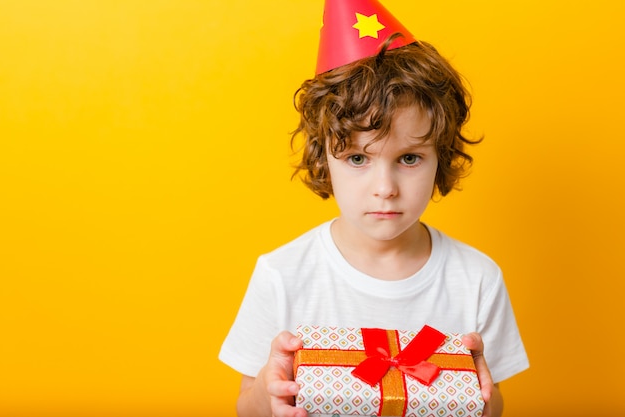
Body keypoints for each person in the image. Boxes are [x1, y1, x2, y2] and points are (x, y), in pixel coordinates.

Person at [219, 1, 529, 416]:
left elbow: (492, 404)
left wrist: (484, 400)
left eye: (409, 158)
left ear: (442, 155)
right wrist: (268, 394)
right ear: (322, 157)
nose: (385, 189)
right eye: (359, 159)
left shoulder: (476, 280)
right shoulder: (282, 275)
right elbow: (246, 408)